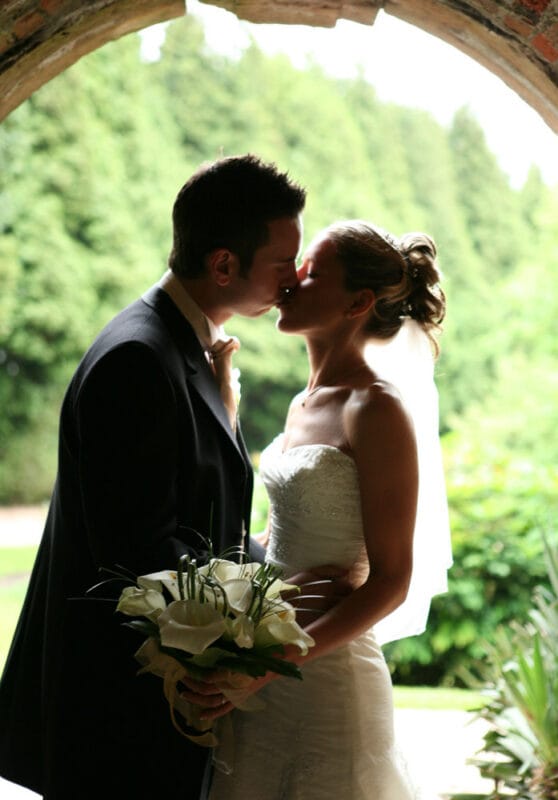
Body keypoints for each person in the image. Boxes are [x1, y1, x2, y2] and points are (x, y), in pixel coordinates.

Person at [0, 154, 309, 800]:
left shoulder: (179, 346)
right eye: (283, 263)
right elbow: (139, 551)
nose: (295, 278)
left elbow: (201, 512)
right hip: (117, 716)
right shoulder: (138, 358)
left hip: (141, 712)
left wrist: (280, 568)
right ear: (224, 264)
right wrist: (230, 638)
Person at [208, 220, 449, 800]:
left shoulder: (377, 408)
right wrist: (225, 410)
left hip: (326, 681)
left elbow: (392, 581)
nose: (289, 282)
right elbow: (277, 536)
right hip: (265, 670)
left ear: (358, 302)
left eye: (311, 273)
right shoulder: (300, 404)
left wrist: (274, 662)